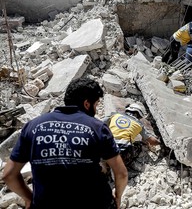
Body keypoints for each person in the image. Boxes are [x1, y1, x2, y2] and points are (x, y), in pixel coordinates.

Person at [2, 77, 128, 209]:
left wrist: (29, 198)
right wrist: (118, 196)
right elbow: (121, 173)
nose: (95, 110)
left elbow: (8, 175)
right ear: (87, 104)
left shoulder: (33, 126)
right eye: (96, 105)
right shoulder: (97, 127)